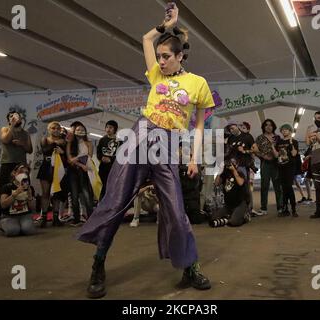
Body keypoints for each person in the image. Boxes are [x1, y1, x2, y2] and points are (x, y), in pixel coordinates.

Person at [77, 3, 213, 299]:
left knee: (177, 211)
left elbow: (199, 126)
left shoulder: (198, 84)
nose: (161, 62)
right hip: (140, 137)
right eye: (160, 57)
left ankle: (191, 266)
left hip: (167, 145)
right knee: (116, 202)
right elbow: (145, 39)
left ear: (180, 56)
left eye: (167, 57)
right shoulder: (156, 75)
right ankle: (98, 264)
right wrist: (167, 24)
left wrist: (193, 157)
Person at [0, 111, 33, 226]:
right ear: (8, 120)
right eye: (12, 117)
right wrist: (12, 125)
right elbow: (5, 140)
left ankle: (25, 216)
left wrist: (21, 144)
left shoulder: (25, 133)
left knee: (24, 188)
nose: (15, 118)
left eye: (17, 116)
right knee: (4, 190)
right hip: (7, 164)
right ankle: (1, 217)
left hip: (21, 165)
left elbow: (29, 149)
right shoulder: (5, 129)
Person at [37, 121, 67, 227]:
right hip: (46, 167)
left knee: (57, 194)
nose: (55, 130)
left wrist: (62, 152)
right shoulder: (44, 139)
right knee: (45, 193)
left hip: (59, 168)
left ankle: (56, 218)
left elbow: (67, 157)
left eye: (58, 128)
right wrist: (56, 144)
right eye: (53, 128)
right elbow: (45, 150)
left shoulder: (64, 141)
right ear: (49, 129)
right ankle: (44, 218)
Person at [252, 119, 283, 215]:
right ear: (263, 127)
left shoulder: (277, 138)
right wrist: (262, 156)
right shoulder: (260, 138)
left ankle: (280, 207)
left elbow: (282, 150)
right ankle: (263, 208)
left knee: (278, 186)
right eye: (266, 125)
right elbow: (254, 150)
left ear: (273, 127)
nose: (268, 127)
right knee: (264, 186)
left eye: (270, 125)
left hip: (276, 164)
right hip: (265, 163)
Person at [66, 123, 95, 226]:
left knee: (87, 195)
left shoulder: (89, 143)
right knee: (74, 196)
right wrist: (79, 162)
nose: (80, 131)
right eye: (78, 129)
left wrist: (78, 160)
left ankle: (91, 218)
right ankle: (76, 219)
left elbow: (89, 157)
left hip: (85, 171)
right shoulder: (70, 143)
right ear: (74, 131)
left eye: (82, 129)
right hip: (73, 171)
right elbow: (69, 160)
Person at [211, 157, 251, 227]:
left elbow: (240, 183)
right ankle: (230, 216)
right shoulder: (225, 174)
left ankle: (245, 217)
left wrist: (234, 171)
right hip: (228, 205)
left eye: (233, 163)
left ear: (237, 165)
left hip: (240, 203)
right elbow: (216, 183)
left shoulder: (240, 173)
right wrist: (220, 171)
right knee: (214, 218)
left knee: (234, 222)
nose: (231, 164)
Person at [0, 164, 36, 237]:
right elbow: (3, 205)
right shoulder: (7, 187)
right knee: (12, 231)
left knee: (28, 230)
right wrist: (15, 193)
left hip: (25, 215)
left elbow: (33, 208)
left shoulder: (29, 187)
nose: (23, 174)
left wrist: (30, 195)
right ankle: (3, 223)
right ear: (14, 173)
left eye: (26, 173)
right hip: (9, 216)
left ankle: (21, 226)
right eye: (21, 172)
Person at [273, 124, 299, 217]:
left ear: (290, 131)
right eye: (282, 130)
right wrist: (273, 146)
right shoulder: (279, 142)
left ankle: (293, 209)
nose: (284, 131)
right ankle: (285, 209)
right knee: (284, 188)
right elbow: (276, 155)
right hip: (281, 166)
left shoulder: (294, 141)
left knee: (289, 187)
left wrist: (291, 143)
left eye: (286, 130)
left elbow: (294, 153)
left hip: (290, 167)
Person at [96, 120, 121, 200]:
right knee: (102, 186)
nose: (108, 129)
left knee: (112, 186)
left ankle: (112, 204)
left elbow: (121, 155)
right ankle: (101, 204)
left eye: (110, 127)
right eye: (107, 127)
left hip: (114, 168)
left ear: (115, 129)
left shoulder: (119, 142)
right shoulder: (102, 140)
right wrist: (101, 158)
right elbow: (98, 153)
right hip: (103, 168)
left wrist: (111, 159)